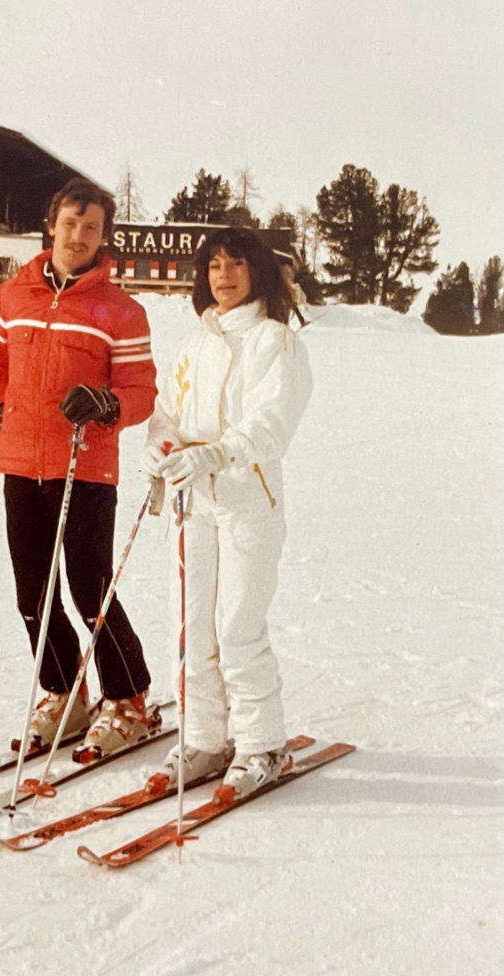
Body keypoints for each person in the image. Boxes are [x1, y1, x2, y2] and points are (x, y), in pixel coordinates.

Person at [0, 178, 158, 760]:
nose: (78, 236)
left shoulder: (121, 311)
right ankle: (65, 691)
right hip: (22, 462)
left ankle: (127, 698)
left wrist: (109, 405)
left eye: (92, 228)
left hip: (86, 467)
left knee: (87, 588)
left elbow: (141, 390)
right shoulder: (13, 297)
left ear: (104, 238)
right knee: (32, 591)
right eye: (71, 223)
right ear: (51, 223)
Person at [142, 226, 312, 799]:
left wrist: (217, 453)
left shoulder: (275, 342)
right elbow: (166, 411)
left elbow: (271, 422)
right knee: (191, 627)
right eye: (213, 265)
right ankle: (205, 737)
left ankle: (261, 742)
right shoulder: (194, 345)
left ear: (257, 271)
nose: (223, 275)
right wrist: (162, 446)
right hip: (194, 502)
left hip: (246, 500)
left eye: (236, 264)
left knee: (236, 625)